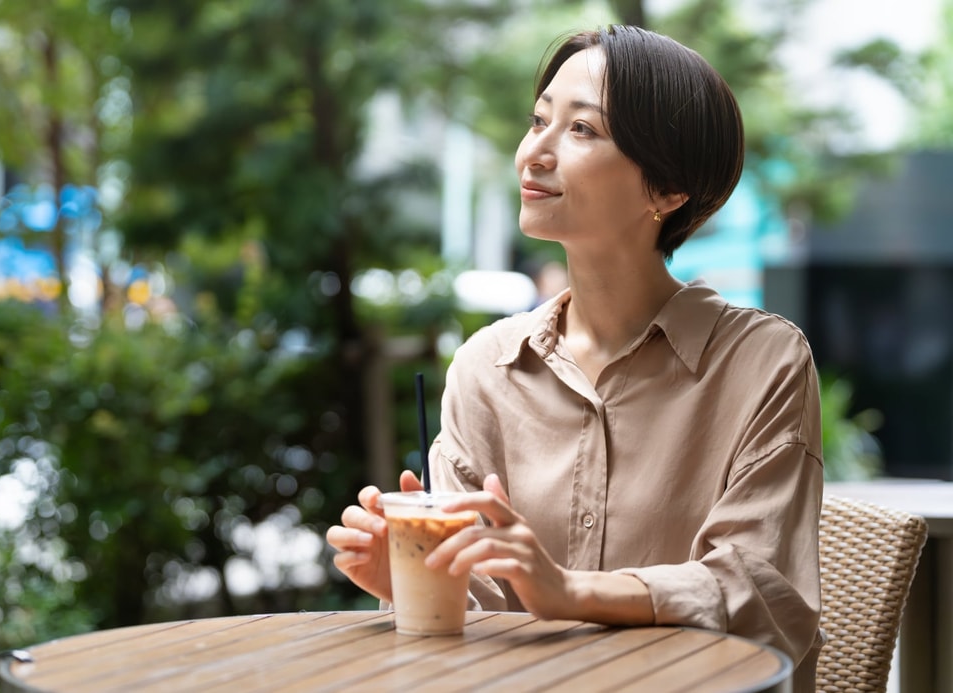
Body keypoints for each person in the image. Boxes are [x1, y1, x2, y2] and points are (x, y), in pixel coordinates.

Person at [326, 24, 823, 692]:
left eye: (582, 130)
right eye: (537, 121)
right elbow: (485, 618)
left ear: (668, 189)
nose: (534, 152)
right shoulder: (486, 368)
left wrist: (570, 590)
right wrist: (412, 580)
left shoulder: (763, 363)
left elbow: (763, 596)